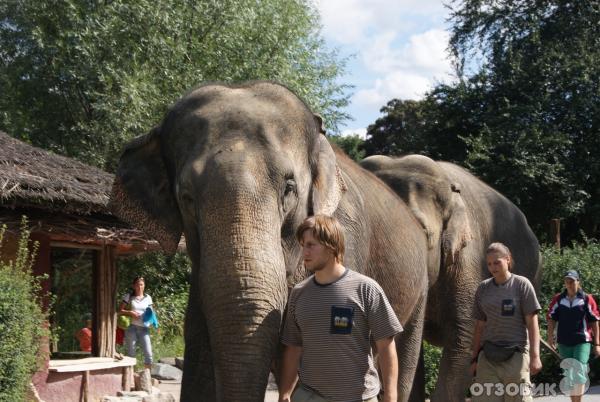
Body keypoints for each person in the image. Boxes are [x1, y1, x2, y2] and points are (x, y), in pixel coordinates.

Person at [278, 215, 403, 402]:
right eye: (303, 245)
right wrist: (285, 393)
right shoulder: (299, 293)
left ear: (332, 246)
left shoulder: (366, 289)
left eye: (311, 245)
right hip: (310, 396)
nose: (304, 251)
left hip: (358, 397)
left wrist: (391, 397)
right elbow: (294, 348)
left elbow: (386, 346)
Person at [470, 242, 542, 402]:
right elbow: (479, 326)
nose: (492, 267)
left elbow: (532, 323)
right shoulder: (483, 289)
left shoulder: (521, 285)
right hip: (488, 357)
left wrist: (535, 356)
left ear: (508, 259)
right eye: (489, 264)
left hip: (516, 355)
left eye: (497, 262)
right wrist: (474, 358)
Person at [547, 270, 600, 401]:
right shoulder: (558, 299)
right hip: (564, 342)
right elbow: (551, 318)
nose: (569, 284)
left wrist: (597, 344)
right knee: (569, 375)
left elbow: (594, 321)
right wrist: (550, 338)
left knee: (579, 371)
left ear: (578, 282)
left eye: (572, 281)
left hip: (582, 340)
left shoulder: (587, 299)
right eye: (567, 281)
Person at [119, 276, 153, 369]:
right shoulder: (129, 296)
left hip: (144, 328)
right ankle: (130, 377)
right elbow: (120, 310)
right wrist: (130, 313)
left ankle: (147, 377)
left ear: (144, 285)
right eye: (137, 284)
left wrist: (151, 319)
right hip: (132, 328)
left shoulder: (148, 297)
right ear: (133, 286)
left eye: (141, 284)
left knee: (148, 353)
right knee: (131, 354)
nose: (139, 287)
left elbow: (151, 312)